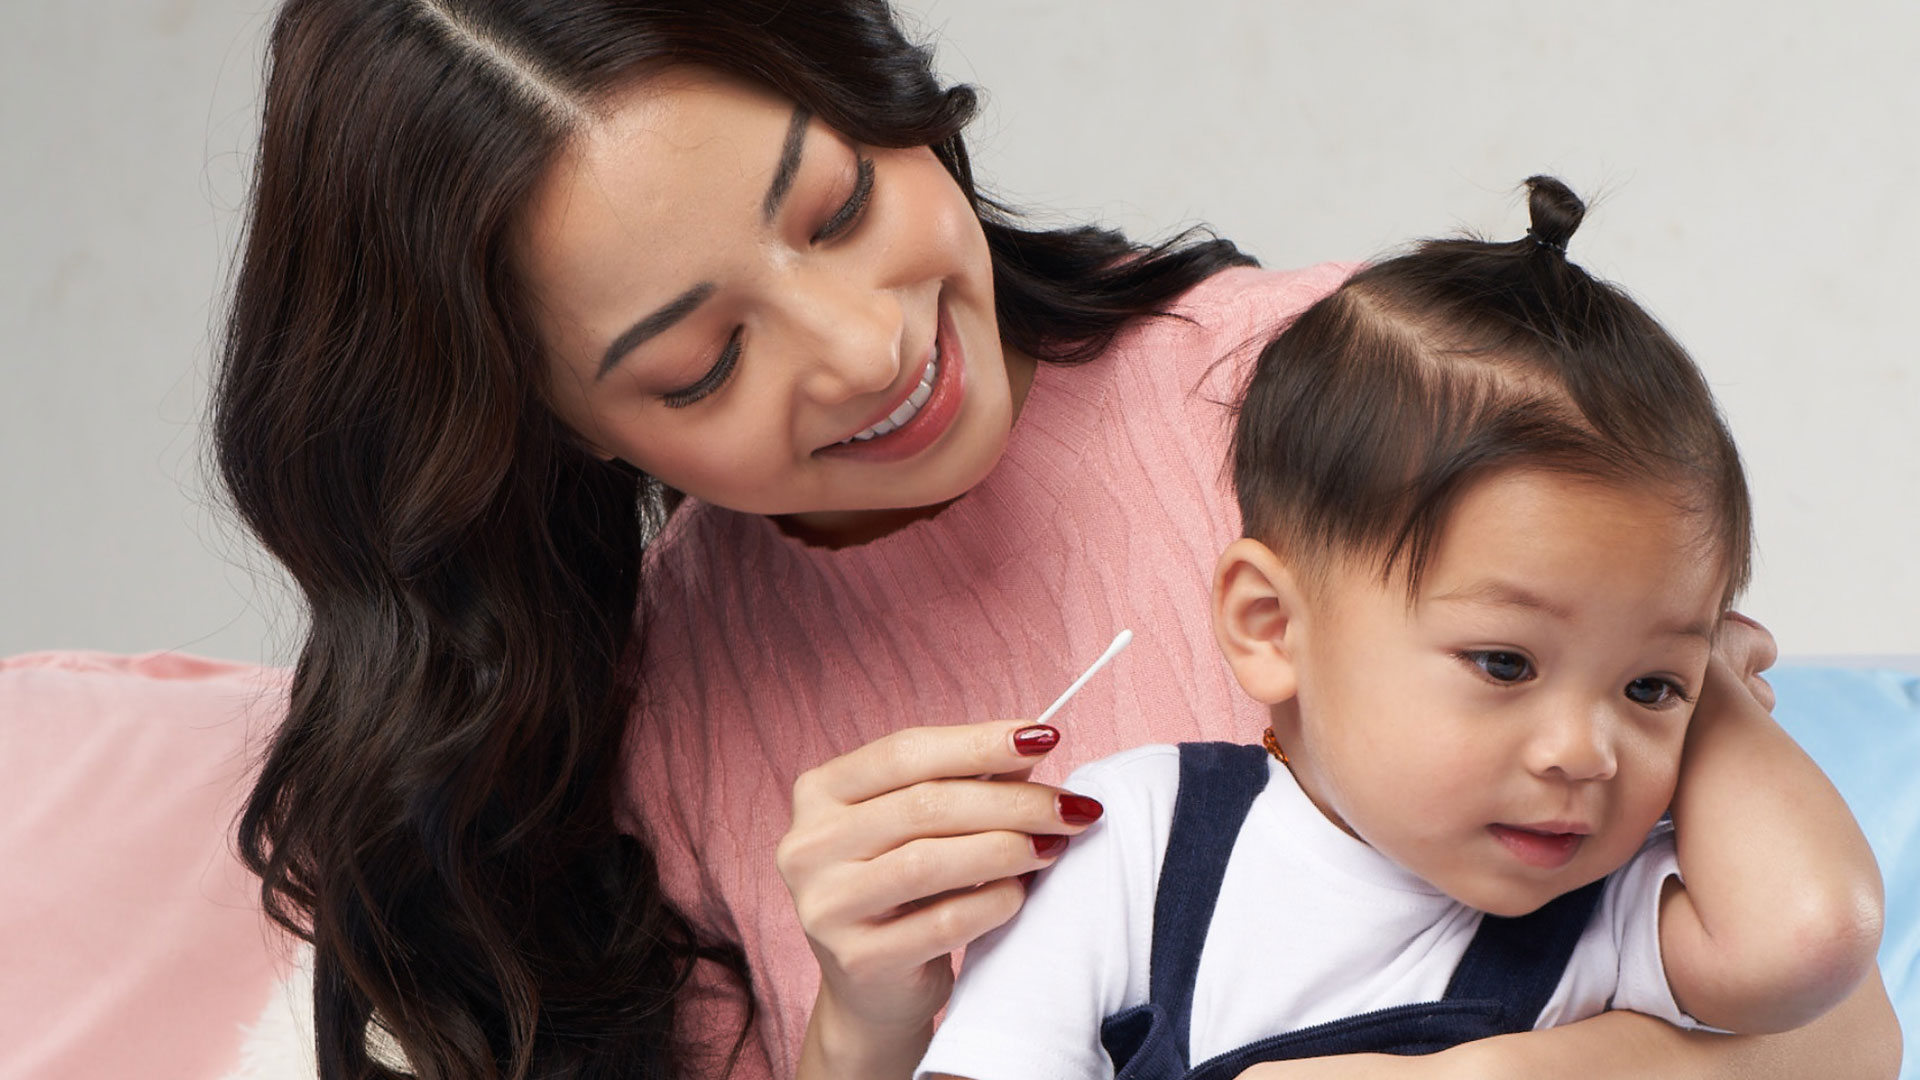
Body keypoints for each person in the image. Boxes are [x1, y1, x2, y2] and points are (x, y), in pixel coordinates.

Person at [211, 2, 1901, 1078]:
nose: (865, 346)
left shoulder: (1353, 405)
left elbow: (1843, 1036)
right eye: (700, 358)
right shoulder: (645, 755)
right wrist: (865, 1028)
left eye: (844, 205)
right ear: (564, 419)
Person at [914, 178, 1885, 1080]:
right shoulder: (1145, 845)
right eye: (1506, 663)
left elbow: (1811, 943)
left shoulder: (1610, 909)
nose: (1584, 753)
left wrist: (1704, 674)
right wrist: (1667, 659)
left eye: (1645, 689)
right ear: (1270, 625)